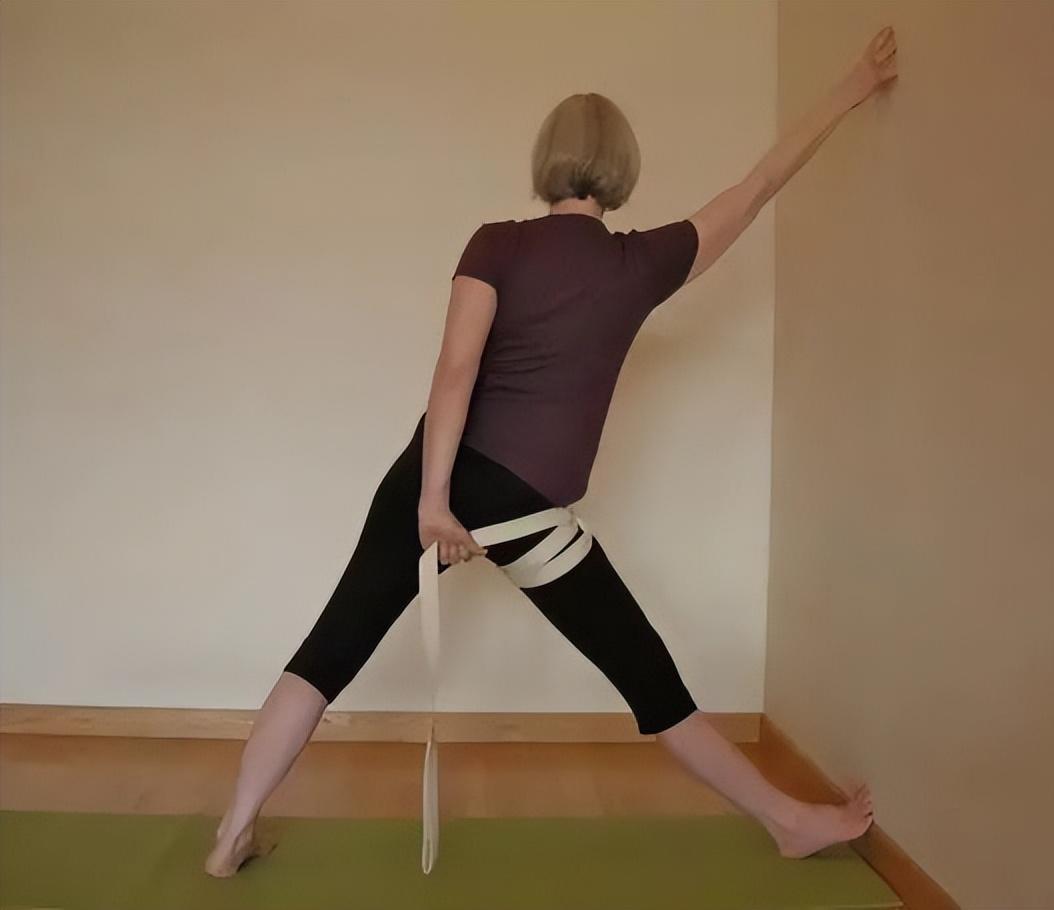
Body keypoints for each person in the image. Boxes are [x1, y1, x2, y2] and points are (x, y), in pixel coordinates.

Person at [205, 25, 899, 878]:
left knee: (328, 652)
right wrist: (850, 87)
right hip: (524, 507)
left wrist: (433, 500)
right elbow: (755, 188)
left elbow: (455, 371)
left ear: (546, 163)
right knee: (645, 672)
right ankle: (788, 820)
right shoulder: (644, 262)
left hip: (436, 478)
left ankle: (231, 832)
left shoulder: (495, 242)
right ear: (623, 169)